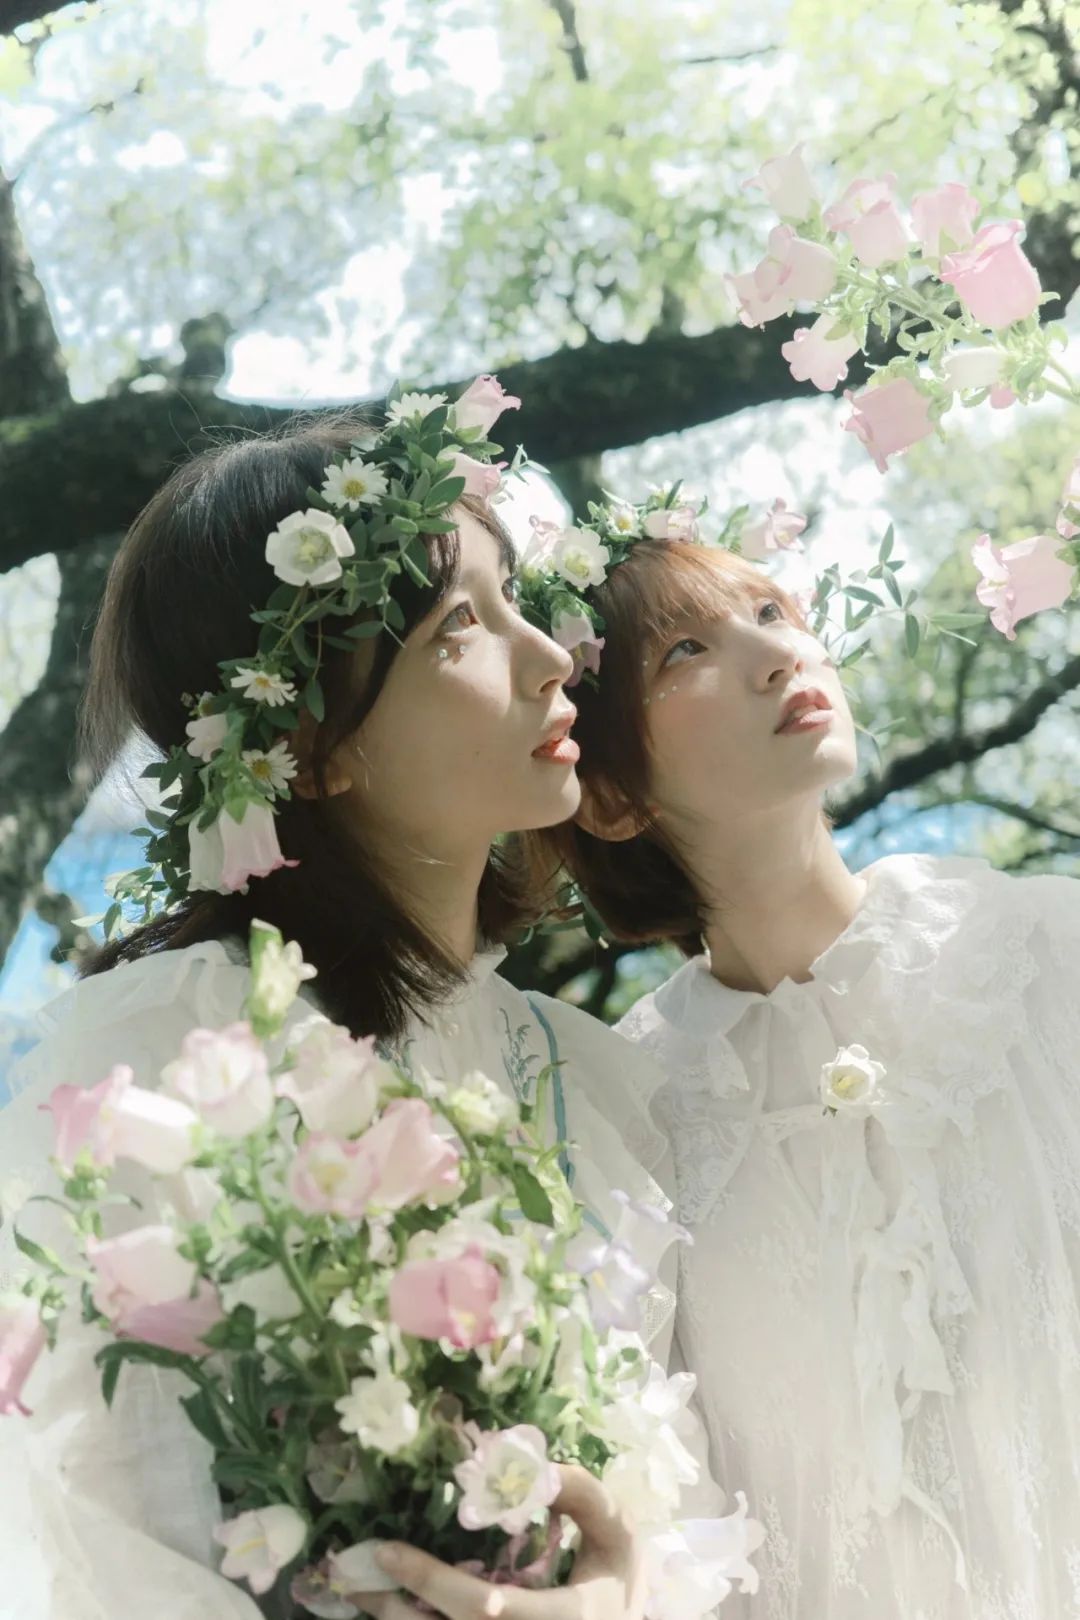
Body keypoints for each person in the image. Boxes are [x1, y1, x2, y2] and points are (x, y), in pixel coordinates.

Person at [0, 410, 681, 1620]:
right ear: (307, 747)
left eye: (516, 597)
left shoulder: (583, 1071)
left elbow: (672, 1473)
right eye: (461, 625)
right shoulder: (163, 1062)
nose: (549, 657)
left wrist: (623, 1583)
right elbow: (80, 1530)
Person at [524, 528, 1080, 1617]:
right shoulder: (632, 1116)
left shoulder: (1038, 956)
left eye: (772, 612)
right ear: (614, 797)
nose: (778, 654)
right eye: (686, 650)